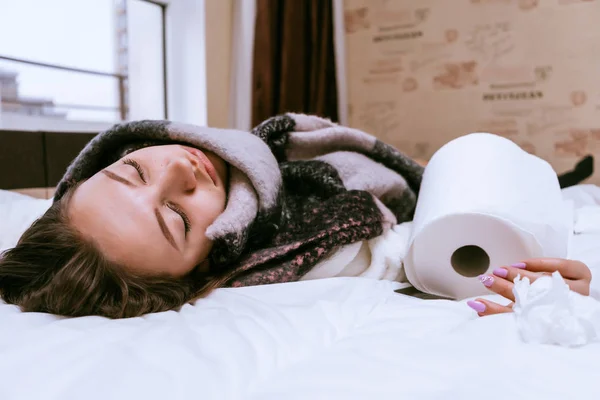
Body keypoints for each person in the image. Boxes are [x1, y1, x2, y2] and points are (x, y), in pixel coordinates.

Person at [0, 114, 593, 319]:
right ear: (210, 260)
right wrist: (536, 284)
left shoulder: (242, 149)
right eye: (178, 219)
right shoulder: (309, 249)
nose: (180, 171)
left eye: (131, 170)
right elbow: (410, 258)